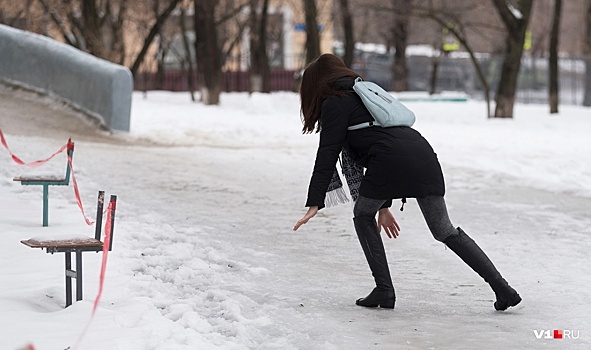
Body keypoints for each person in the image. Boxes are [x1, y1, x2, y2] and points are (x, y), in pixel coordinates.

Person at [292, 53, 521, 311]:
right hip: (422, 153)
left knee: (361, 215)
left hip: (391, 160)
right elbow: (380, 141)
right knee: (444, 230)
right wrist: (383, 206)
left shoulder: (335, 104)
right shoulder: (368, 93)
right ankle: (503, 289)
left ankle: (384, 290)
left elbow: (328, 153)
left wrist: (315, 201)